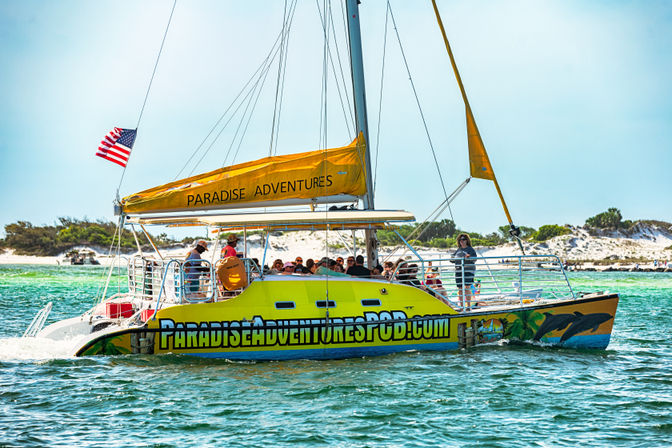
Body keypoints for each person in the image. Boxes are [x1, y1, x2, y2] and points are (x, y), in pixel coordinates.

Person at [452, 233, 477, 310]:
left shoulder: (470, 249)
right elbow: (452, 259)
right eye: (460, 240)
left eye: (463, 239)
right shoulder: (458, 250)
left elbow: (475, 259)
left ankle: (468, 306)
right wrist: (453, 258)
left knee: (467, 287)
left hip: (468, 270)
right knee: (460, 288)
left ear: (467, 240)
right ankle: (462, 307)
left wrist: (468, 257)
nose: (462, 241)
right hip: (459, 271)